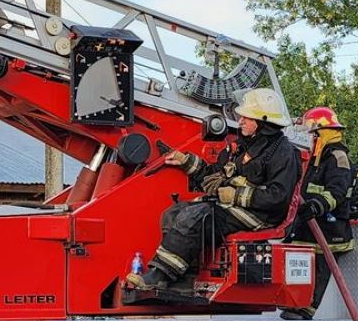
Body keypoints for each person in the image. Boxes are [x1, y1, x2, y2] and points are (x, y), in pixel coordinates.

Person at [126, 88, 300, 291]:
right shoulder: (242, 146)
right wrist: (186, 161)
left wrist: (235, 195)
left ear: (263, 122)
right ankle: (181, 279)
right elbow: (214, 175)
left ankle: (160, 275)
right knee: (172, 213)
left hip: (261, 214)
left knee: (199, 215)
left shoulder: (283, 152)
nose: (240, 120)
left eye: (246, 117)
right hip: (233, 206)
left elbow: (278, 197)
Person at [281, 106, 354, 320]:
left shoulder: (337, 156)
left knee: (320, 270)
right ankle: (296, 305)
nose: (307, 138)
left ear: (320, 132)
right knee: (300, 265)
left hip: (330, 229)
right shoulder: (317, 156)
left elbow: (337, 191)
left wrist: (316, 206)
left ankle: (307, 309)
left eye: (310, 133)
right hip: (310, 226)